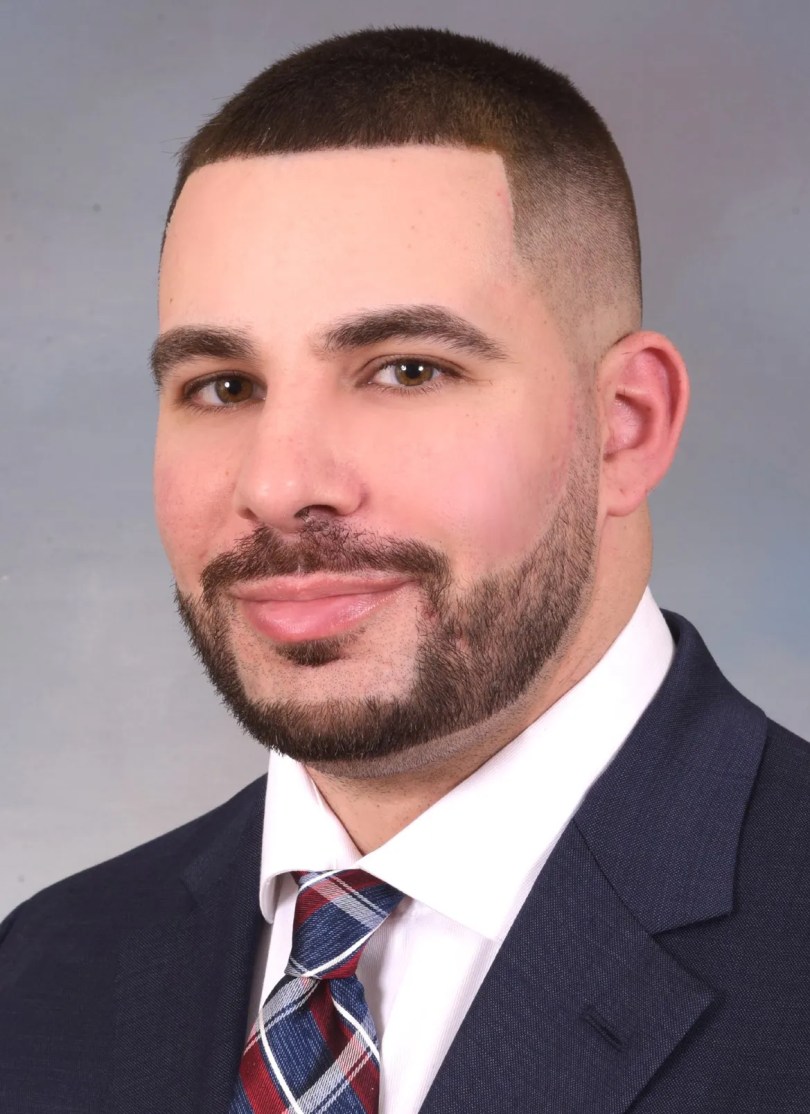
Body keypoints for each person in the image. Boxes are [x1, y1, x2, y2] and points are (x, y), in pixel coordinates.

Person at [1, 25, 808, 1114]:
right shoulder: (44, 977)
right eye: (223, 385)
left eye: (406, 370)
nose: (278, 485)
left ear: (625, 428)